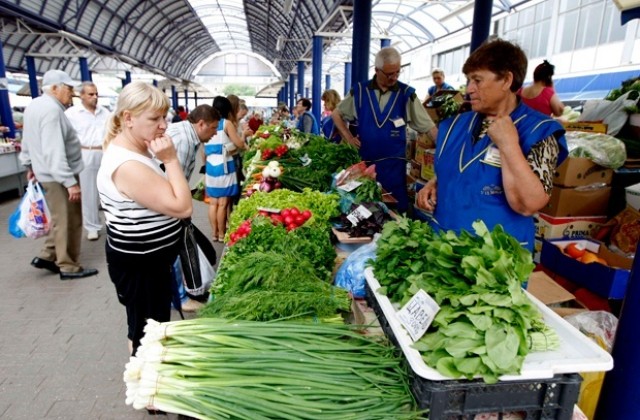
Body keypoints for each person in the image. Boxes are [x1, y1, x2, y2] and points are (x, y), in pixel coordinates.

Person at [416, 39, 569, 252]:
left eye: (477, 80)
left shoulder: (540, 131)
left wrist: (509, 145)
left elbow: (529, 204)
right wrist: (437, 181)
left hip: (495, 260)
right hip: (444, 248)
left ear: (506, 80)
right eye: (468, 80)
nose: (469, 89)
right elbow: (467, 165)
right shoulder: (457, 124)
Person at [96, 81, 192, 356]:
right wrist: (171, 160)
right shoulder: (128, 165)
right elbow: (183, 207)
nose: (163, 125)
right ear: (128, 118)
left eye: (165, 116)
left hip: (149, 261)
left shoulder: (139, 149)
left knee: (143, 323)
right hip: (141, 266)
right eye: (155, 118)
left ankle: (145, 375)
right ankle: (149, 390)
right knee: (148, 329)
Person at [332, 46, 437, 213]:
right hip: (364, 167)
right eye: (389, 74)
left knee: (395, 212)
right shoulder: (359, 91)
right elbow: (336, 114)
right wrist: (349, 138)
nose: (394, 77)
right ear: (377, 70)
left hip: (394, 169)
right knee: (364, 212)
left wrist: (446, 151)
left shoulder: (406, 94)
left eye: (397, 72)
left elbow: (429, 127)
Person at [19, 69, 98, 280]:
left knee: (58, 218)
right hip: (57, 175)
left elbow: (28, 141)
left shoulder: (35, 106)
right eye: (68, 88)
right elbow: (55, 150)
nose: (71, 93)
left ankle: (48, 254)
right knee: (68, 220)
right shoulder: (52, 111)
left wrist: (30, 165)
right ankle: (68, 265)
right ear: (54, 88)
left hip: (45, 172)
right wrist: (70, 182)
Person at [165, 104, 220, 313]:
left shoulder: (185, 134)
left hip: (169, 200)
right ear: (201, 124)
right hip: (167, 203)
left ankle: (183, 293)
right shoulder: (185, 141)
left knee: (182, 247)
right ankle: (180, 297)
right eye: (213, 128)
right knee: (175, 249)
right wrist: (179, 207)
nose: (215, 133)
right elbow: (171, 177)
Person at [65, 82, 110, 241]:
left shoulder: (105, 113)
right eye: (91, 94)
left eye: (96, 94)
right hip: (85, 152)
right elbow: (67, 137)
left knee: (108, 189)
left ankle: (112, 222)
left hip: (104, 152)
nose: (95, 97)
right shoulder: (72, 114)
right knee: (89, 192)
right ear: (81, 95)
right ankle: (92, 227)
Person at [205, 94, 247, 242]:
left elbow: (203, 151)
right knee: (223, 203)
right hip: (224, 165)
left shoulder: (207, 123)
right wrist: (242, 142)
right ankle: (222, 234)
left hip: (210, 166)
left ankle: (214, 234)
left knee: (213, 203)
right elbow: (239, 144)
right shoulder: (226, 123)